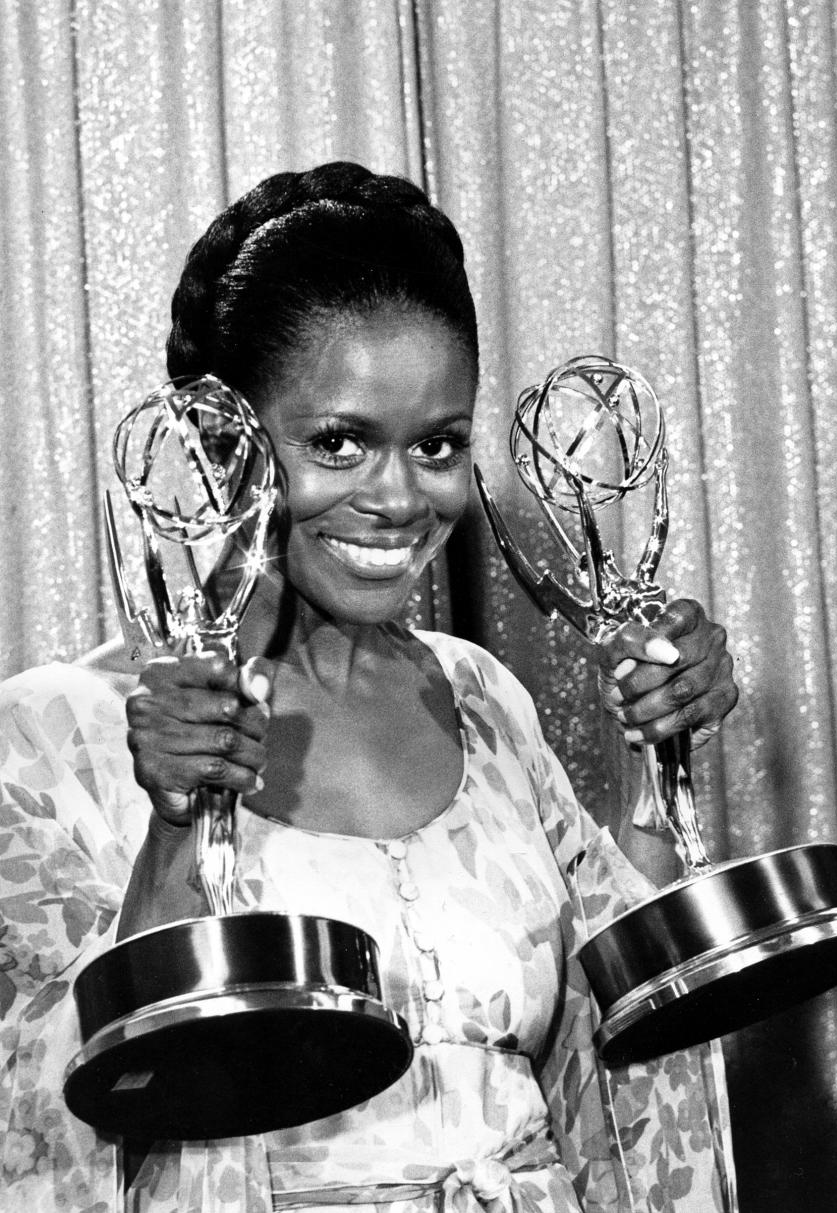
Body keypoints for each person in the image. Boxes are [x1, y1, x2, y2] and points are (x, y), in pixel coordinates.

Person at [0, 163, 739, 1212]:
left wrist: (662, 752)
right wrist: (174, 822)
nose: (398, 497)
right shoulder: (55, 736)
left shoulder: (481, 699)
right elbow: (70, 1107)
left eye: (437, 445)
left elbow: (620, 1037)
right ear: (222, 436)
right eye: (338, 442)